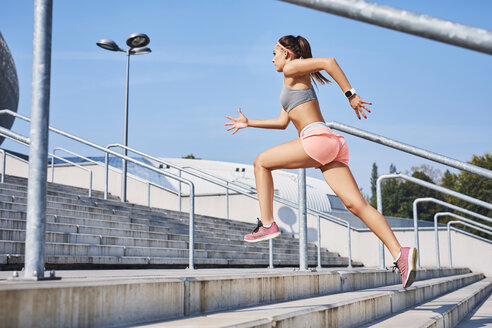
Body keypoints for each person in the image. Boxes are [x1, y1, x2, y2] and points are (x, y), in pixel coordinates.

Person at [225, 35, 417, 288]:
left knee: (261, 162)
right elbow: (283, 123)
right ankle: (399, 253)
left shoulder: (292, 69)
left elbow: (329, 62)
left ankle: (268, 224)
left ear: (287, 54)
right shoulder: (291, 82)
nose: (272, 59)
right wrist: (249, 123)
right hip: (331, 144)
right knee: (356, 205)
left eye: (274, 53)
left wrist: (351, 95)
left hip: (316, 139)